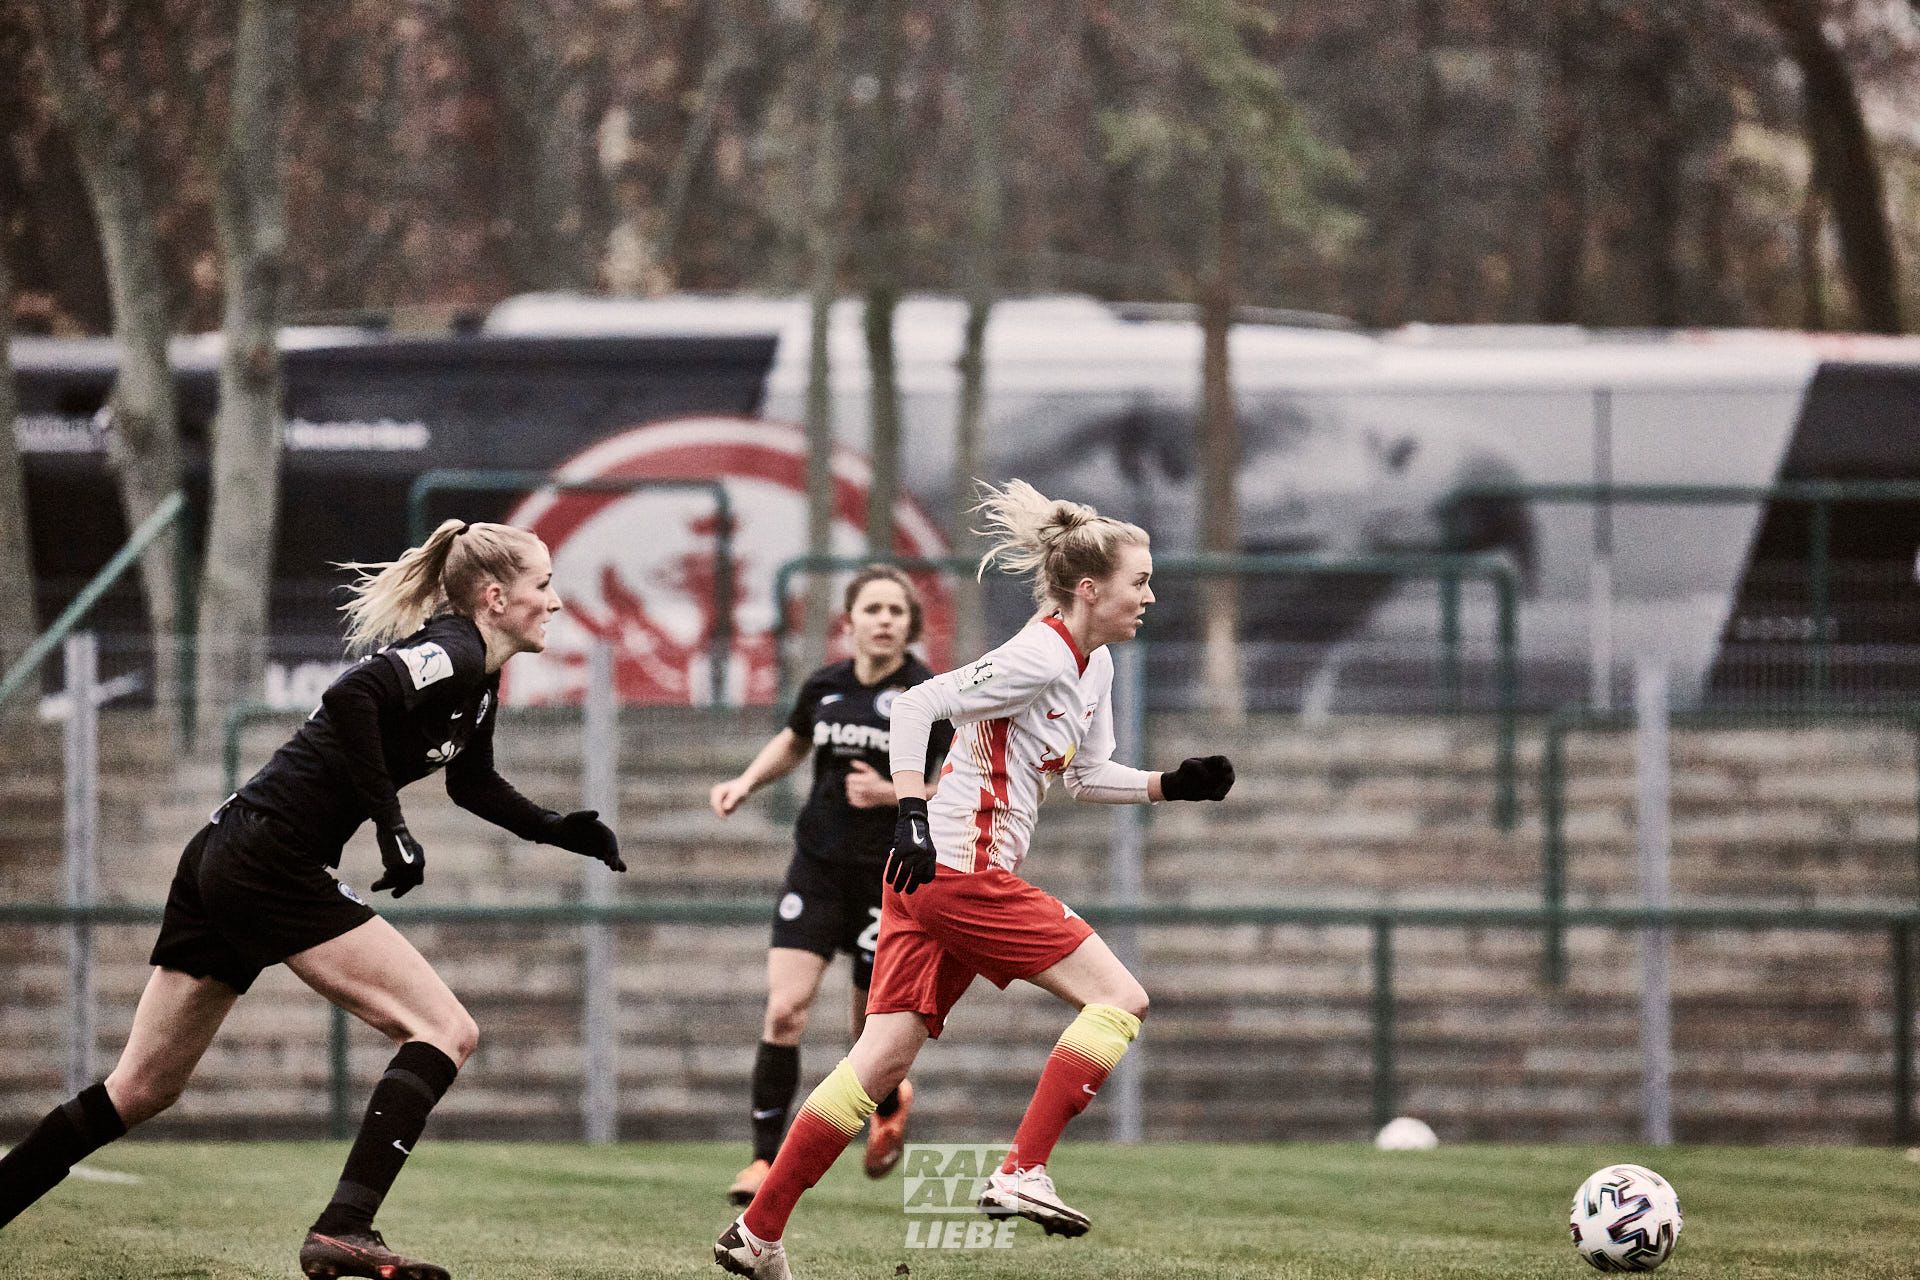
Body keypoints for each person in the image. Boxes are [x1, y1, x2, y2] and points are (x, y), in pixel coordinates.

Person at [0, 520, 625, 1280]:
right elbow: (353, 693)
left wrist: (557, 829)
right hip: (271, 859)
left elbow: (472, 782)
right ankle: (345, 1228)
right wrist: (391, 824)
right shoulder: (455, 650)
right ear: (495, 597)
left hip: (229, 850)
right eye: (544, 585)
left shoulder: (476, 683)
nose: (555, 602)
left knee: (142, 1088)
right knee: (444, 1029)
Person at [714, 480, 1235, 1279]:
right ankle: (1022, 1169)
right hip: (957, 869)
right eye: (1140, 581)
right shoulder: (1040, 653)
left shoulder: (1092, 666)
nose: (1150, 596)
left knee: (880, 1062)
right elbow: (917, 706)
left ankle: (757, 1232)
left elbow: (1085, 776)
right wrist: (911, 813)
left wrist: (1172, 784)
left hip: (931, 880)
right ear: (1089, 588)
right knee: (1119, 998)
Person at [710, 566, 954, 1205]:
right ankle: (762, 1161)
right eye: (872, 609)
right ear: (850, 621)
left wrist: (892, 794)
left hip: (888, 879)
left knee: (866, 1036)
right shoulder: (825, 685)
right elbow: (795, 742)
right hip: (817, 867)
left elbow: (960, 784)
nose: (884, 620)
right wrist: (745, 782)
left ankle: (889, 1101)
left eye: (896, 611)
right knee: (784, 1010)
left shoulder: (930, 694)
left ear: (911, 624)